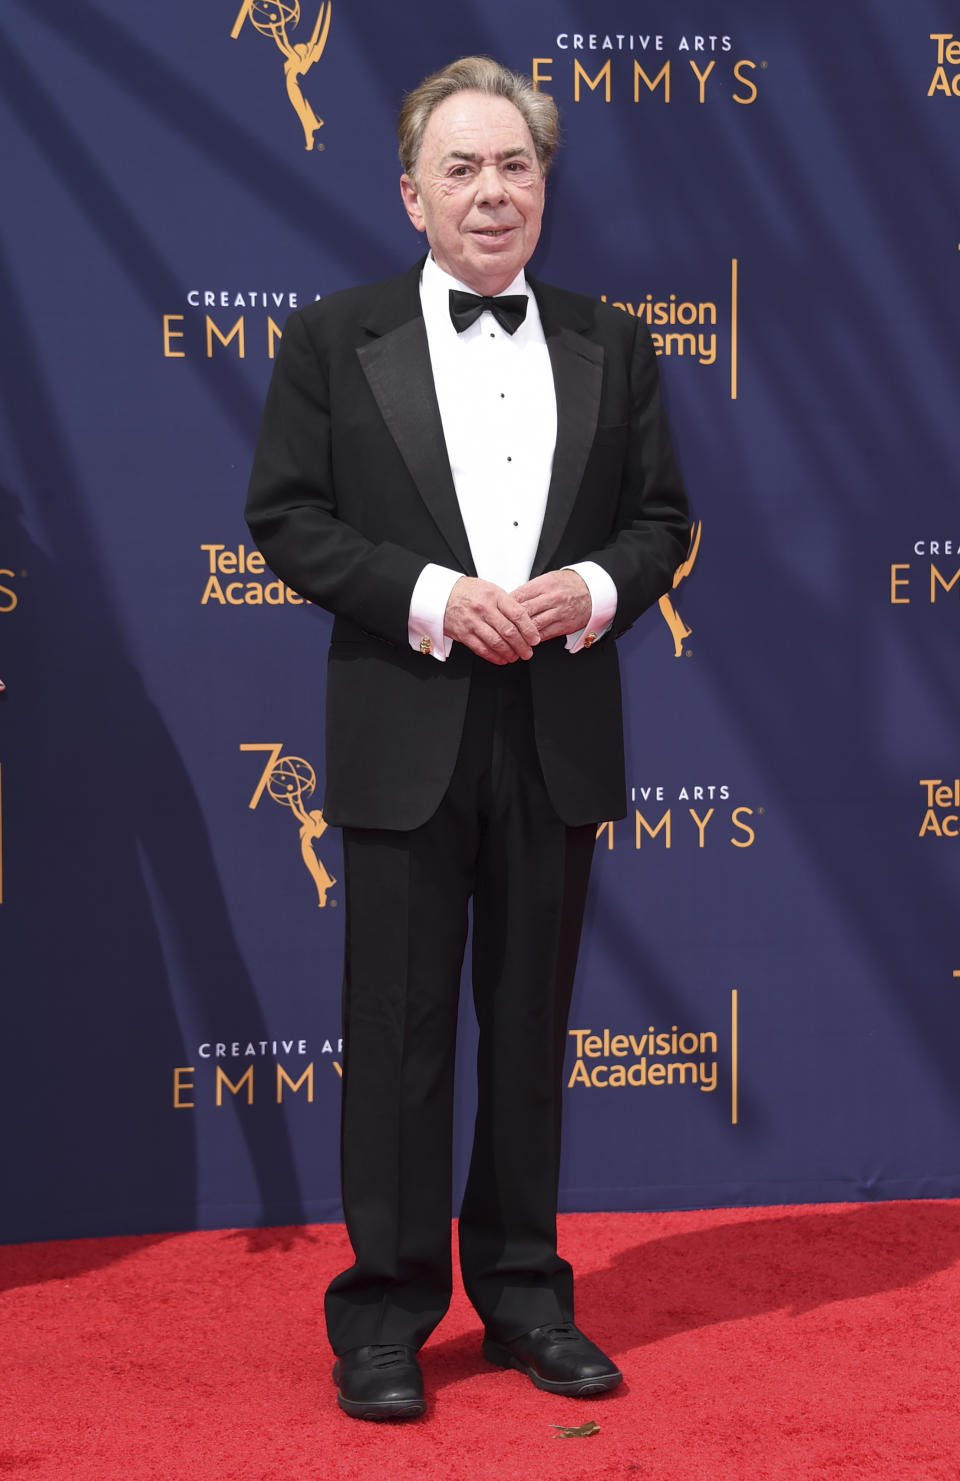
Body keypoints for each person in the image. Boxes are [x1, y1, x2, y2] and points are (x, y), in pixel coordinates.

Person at [245, 55, 691, 1421]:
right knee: (396, 1031)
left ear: (544, 190)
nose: (493, 193)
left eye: (517, 168)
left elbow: (661, 521)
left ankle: (526, 1295)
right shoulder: (332, 338)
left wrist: (597, 589)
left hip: (555, 726)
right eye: (464, 169)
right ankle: (383, 1312)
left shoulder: (614, 341)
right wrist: (436, 598)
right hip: (406, 722)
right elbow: (288, 517)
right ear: (412, 194)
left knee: (528, 1027)